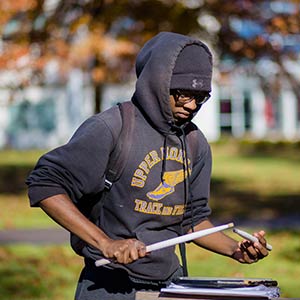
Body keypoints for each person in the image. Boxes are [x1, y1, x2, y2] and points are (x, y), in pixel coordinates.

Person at [26, 32, 270, 300]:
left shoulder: (195, 142)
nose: (191, 105)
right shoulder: (111, 128)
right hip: (109, 285)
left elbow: (192, 220)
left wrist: (235, 250)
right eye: (182, 94)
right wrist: (105, 242)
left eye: (200, 97)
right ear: (156, 82)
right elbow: (44, 184)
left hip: (171, 285)